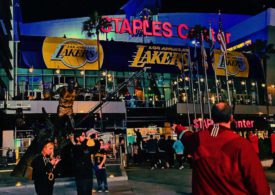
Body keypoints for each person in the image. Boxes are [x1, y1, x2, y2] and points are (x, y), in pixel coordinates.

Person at [175, 102, 271, 194]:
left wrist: (177, 128)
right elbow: (257, 180)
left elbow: (186, 136)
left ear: (212, 117)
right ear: (231, 118)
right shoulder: (241, 143)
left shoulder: (198, 139)